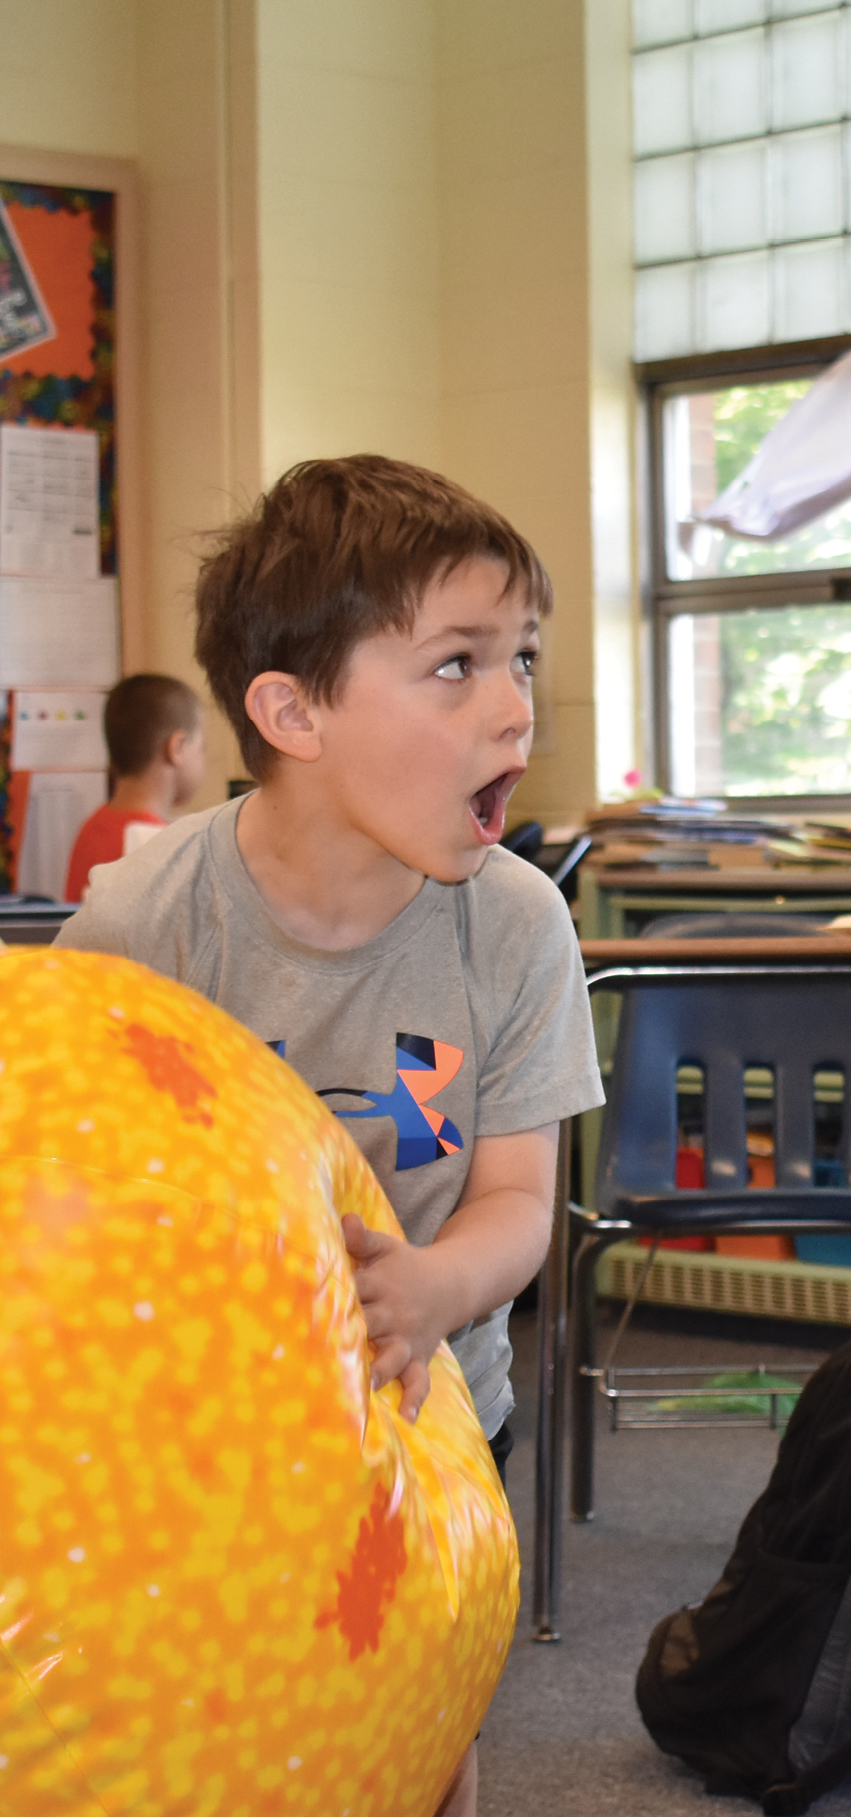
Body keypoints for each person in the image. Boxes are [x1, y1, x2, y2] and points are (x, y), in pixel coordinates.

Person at [57, 454, 601, 1817]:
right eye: (455, 665)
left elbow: (523, 1202)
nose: (513, 706)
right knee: (219, 1723)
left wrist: (428, 1288)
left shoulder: (519, 924)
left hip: (436, 1410)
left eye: (521, 658)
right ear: (292, 711)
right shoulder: (146, 920)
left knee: (420, 1728)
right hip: (207, 1429)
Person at [62, 672, 208, 901]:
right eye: (201, 748)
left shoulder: (92, 827)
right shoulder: (159, 848)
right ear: (177, 748)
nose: (203, 759)